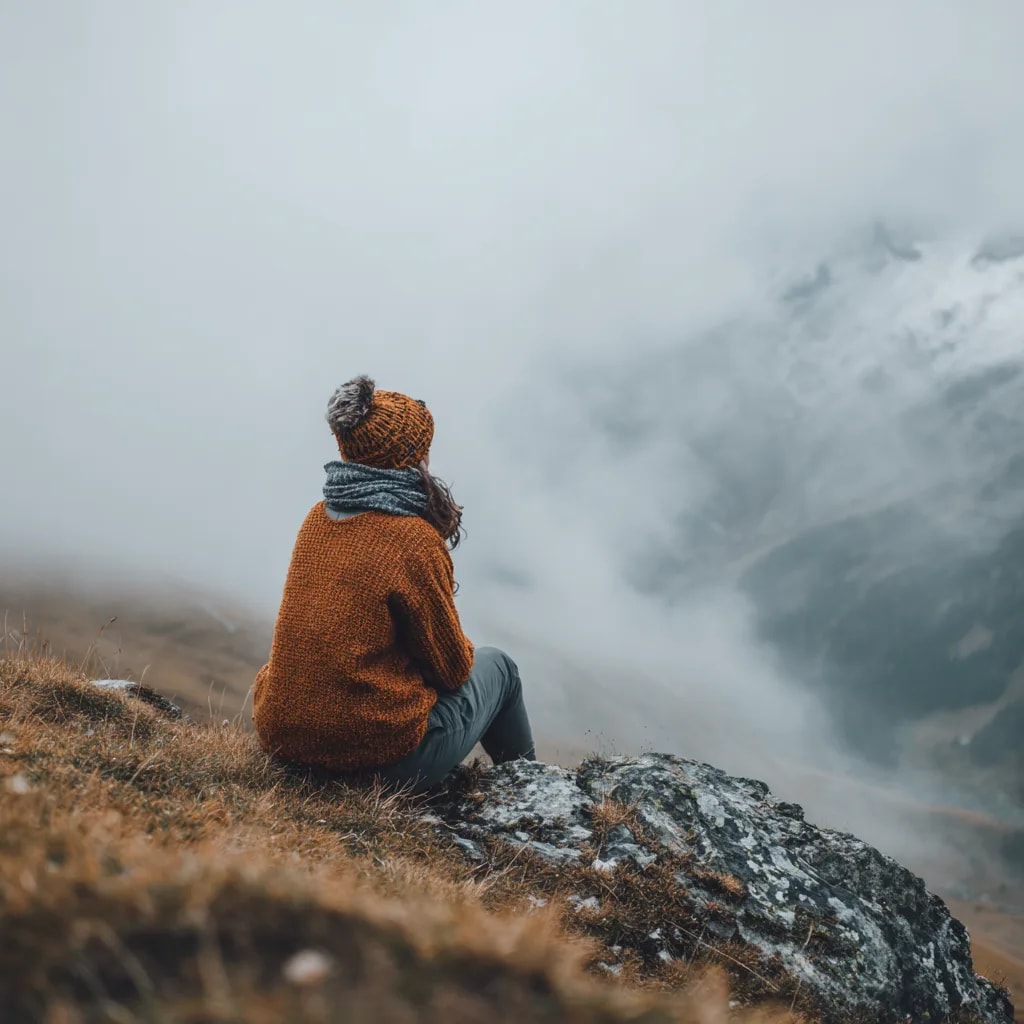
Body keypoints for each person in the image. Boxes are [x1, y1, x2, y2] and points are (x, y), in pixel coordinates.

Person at [253, 375, 536, 791]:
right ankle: (534, 790)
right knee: (500, 668)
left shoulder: (317, 519)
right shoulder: (410, 539)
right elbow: (454, 669)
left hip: (285, 743)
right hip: (379, 763)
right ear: (410, 457)